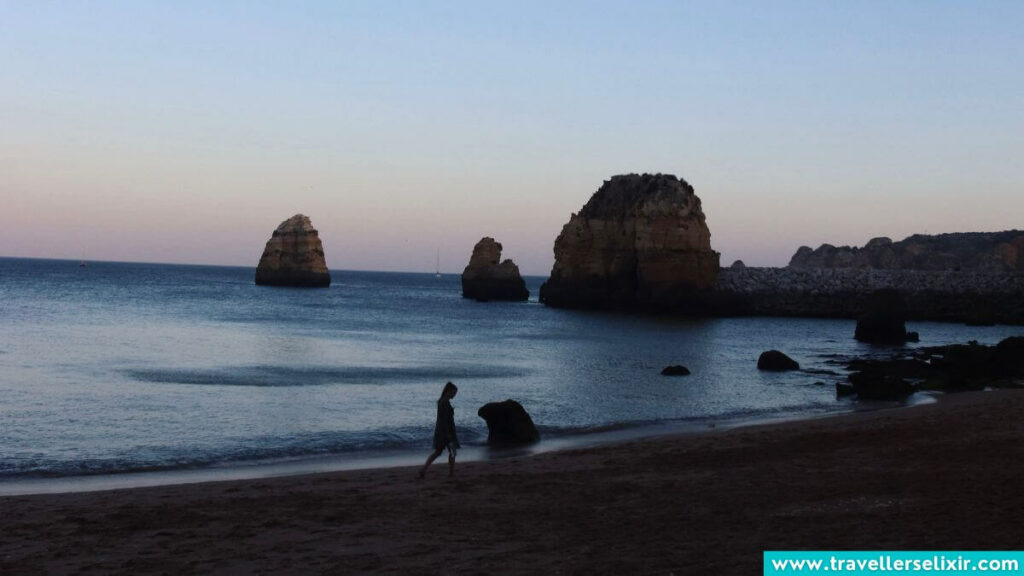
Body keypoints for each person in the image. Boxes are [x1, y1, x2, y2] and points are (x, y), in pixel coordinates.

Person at [419, 381, 460, 478]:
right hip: (445, 431)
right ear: (448, 391)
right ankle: (451, 473)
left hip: (442, 431)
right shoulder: (444, 402)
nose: (454, 395)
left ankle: (424, 469)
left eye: (455, 393)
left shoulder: (443, 401)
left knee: (439, 452)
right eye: (453, 392)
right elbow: (444, 420)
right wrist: (448, 433)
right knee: (451, 452)